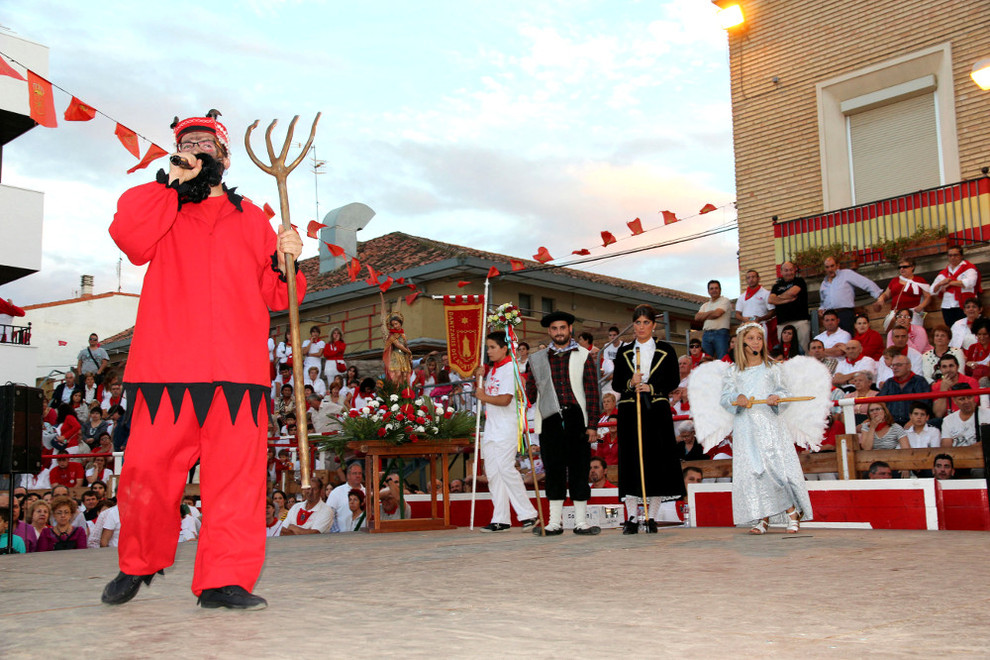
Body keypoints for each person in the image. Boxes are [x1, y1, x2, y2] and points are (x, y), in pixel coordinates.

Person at [102, 110, 305, 610]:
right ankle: (139, 563)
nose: (196, 148)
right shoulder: (158, 204)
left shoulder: (253, 218)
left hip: (238, 373)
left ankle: (223, 579)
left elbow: (281, 298)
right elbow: (130, 239)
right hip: (164, 368)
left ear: (225, 156)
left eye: (205, 142)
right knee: (146, 474)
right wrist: (170, 183)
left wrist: (288, 261)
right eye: (186, 142)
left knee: (236, 483)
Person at [718, 323, 813, 534]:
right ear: (743, 342)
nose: (755, 342)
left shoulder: (772, 368)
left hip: (769, 424)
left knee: (774, 468)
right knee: (754, 470)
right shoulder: (733, 372)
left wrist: (776, 398)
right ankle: (763, 518)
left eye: (759, 338)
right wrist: (737, 398)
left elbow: (784, 393)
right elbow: (725, 398)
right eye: (751, 338)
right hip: (745, 426)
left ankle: (792, 512)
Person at [524, 310, 602, 536]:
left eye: (563, 328)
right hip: (550, 419)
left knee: (579, 469)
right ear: (549, 332)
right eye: (554, 329)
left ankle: (581, 523)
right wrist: (522, 384)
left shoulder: (583, 355)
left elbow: (592, 392)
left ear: (570, 330)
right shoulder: (537, 359)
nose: (559, 332)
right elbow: (530, 393)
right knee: (554, 470)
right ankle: (553, 523)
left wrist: (593, 425)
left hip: (577, 417)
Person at [612, 305, 685, 533]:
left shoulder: (666, 349)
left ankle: (652, 516)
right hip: (630, 411)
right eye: (637, 323)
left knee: (656, 461)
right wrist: (630, 383)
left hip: (656, 410)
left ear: (653, 325)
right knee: (631, 461)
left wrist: (651, 387)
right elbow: (616, 383)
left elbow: (673, 379)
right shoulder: (624, 352)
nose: (641, 327)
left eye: (645, 322)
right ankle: (632, 516)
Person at [472, 331, 538, 532]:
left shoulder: (511, 368)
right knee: (492, 473)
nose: (489, 351)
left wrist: (482, 396)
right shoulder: (492, 370)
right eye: (488, 348)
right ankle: (501, 518)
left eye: (492, 347)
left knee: (505, 468)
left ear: (504, 348)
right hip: (491, 427)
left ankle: (529, 514)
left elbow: (505, 399)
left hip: (507, 426)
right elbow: (485, 392)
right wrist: (479, 378)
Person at [818, 256, 883, 333]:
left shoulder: (846, 274)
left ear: (837, 265)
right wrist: (821, 308)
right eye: (827, 267)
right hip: (830, 316)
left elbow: (865, 283)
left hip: (845, 313)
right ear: (825, 269)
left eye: (832, 266)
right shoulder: (824, 283)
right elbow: (823, 301)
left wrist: (879, 295)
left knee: (847, 338)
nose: (830, 269)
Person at [931, 245, 981, 327]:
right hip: (947, 306)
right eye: (950, 255)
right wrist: (941, 283)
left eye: (955, 255)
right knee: (952, 330)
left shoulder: (969, 268)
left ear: (961, 256)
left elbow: (970, 283)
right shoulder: (944, 273)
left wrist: (950, 283)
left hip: (965, 305)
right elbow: (932, 290)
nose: (952, 258)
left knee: (970, 328)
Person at [769, 261, 812, 352]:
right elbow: (771, 300)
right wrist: (787, 299)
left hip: (800, 322)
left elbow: (792, 292)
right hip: (782, 324)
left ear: (794, 270)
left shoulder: (799, 281)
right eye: (786, 270)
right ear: (781, 272)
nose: (789, 272)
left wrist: (778, 298)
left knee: (804, 349)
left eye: (791, 270)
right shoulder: (776, 286)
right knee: (785, 351)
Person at [875, 258, 931, 327]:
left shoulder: (920, 280)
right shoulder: (894, 281)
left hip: (913, 313)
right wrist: (881, 299)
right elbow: (886, 294)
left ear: (912, 267)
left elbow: (928, 296)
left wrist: (921, 306)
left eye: (905, 267)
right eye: (900, 267)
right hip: (897, 313)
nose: (902, 269)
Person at [878, 355, 931, 426]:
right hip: (891, 423)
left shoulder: (919, 381)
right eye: (893, 366)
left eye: (899, 365)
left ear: (909, 366)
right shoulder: (889, 382)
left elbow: (924, 404)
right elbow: (880, 401)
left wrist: (913, 421)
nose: (895, 368)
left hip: (914, 423)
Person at [940, 384, 990, 449]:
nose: (967, 401)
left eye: (969, 397)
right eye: (962, 399)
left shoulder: (988, 414)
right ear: (954, 401)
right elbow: (946, 448)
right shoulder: (948, 420)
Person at [695, 280, 732, 359]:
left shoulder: (725, 300)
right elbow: (697, 317)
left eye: (716, 288)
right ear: (708, 291)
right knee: (706, 361)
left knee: (723, 360)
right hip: (706, 334)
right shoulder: (705, 304)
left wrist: (705, 315)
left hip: (721, 333)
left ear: (720, 290)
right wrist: (711, 312)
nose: (714, 290)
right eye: (711, 289)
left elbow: (717, 314)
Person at [326, 462, 365, 532]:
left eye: (360, 473)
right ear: (348, 475)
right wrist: (337, 533)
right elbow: (329, 514)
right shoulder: (336, 492)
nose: (358, 476)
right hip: (341, 536)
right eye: (354, 473)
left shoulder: (367, 492)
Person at [382, 311, 413, 385]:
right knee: (397, 374)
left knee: (405, 376)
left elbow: (405, 345)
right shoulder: (392, 335)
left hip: (403, 356)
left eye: (396, 324)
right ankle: (395, 391)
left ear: (400, 323)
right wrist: (408, 351)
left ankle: (404, 391)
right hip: (395, 356)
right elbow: (398, 345)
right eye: (393, 325)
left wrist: (409, 353)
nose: (395, 326)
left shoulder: (403, 334)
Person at [593, 392, 619, 468]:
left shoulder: (618, 415)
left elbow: (615, 430)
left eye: (608, 401)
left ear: (614, 403)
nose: (606, 404)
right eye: (604, 402)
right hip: (598, 442)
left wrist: (605, 435)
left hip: (608, 442)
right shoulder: (601, 416)